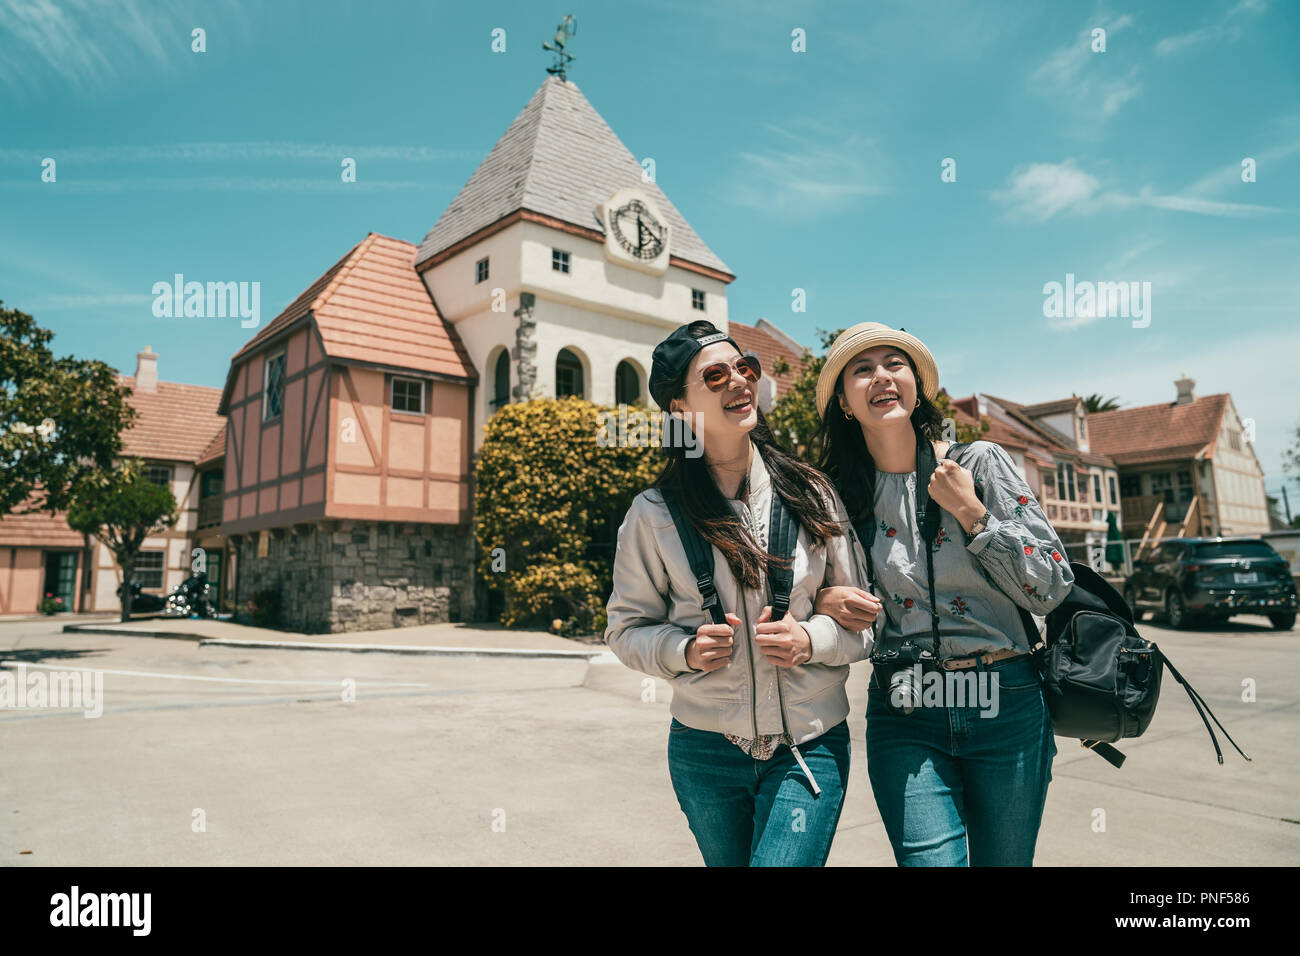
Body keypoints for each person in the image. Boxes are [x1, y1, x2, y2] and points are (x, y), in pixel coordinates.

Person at [604, 320, 876, 866]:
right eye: (716, 374)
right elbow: (624, 629)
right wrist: (680, 652)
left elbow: (865, 620)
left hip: (810, 745)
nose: (739, 381)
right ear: (680, 407)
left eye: (745, 368)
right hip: (703, 752)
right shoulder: (651, 513)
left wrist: (811, 639)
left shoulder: (811, 492)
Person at [810, 322, 1073, 866]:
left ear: (916, 385)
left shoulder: (978, 464)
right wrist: (827, 602)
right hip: (907, 708)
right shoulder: (836, 495)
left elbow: (1050, 586)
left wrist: (974, 516)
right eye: (862, 369)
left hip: (1006, 698)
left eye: (894, 363)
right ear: (843, 401)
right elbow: (810, 591)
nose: (881, 376)